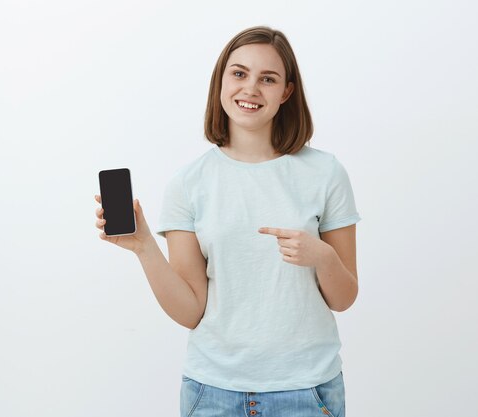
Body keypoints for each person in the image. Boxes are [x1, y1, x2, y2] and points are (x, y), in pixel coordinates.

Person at [94, 25, 360, 417]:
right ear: (221, 81)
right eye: (238, 73)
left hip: (306, 390)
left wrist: (321, 256)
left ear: (286, 92)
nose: (250, 89)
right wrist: (144, 247)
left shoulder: (325, 173)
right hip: (213, 393)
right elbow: (191, 311)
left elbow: (345, 298)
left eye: (267, 79)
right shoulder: (188, 183)